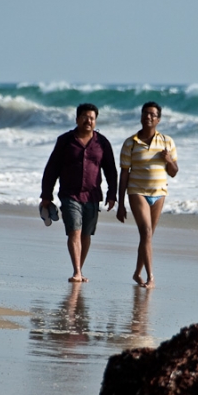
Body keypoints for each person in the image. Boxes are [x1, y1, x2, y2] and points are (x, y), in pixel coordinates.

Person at [41, 103, 117, 283]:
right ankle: (76, 272)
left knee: (86, 234)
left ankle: (79, 269)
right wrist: (46, 195)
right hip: (70, 194)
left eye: (92, 118)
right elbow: (51, 168)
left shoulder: (102, 143)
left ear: (95, 120)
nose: (88, 120)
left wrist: (112, 194)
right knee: (74, 231)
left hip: (92, 195)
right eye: (84, 117)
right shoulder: (65, 141)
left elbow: (111, 170)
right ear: (77, 119)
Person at [116, 102, 178, 288]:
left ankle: (137, 273)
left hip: (159, 193)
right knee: (147, 232)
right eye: (145, 113)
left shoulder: (167, 142)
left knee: (147, 237)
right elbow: (124, 173)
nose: (148, 116)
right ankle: (151, 277)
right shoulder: (130, 143)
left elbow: (174, 172)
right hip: (137, 191)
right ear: (141, 117)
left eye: (152, 114)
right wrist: (120, 203)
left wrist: (168, 160)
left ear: (158, 119)